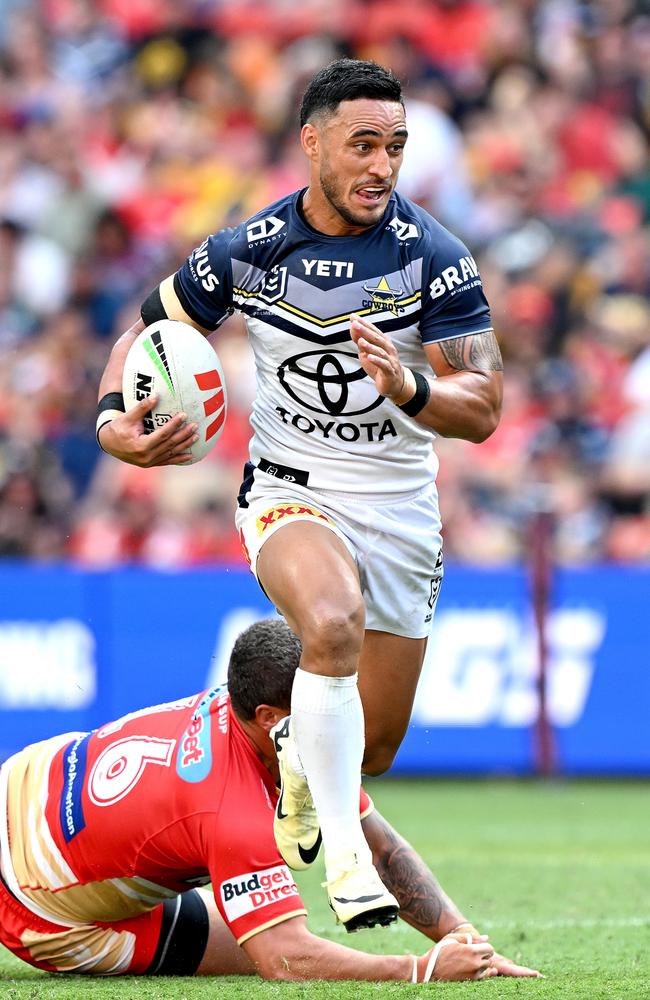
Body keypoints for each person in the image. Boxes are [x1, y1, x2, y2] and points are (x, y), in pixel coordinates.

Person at [95, 58, 503, 930]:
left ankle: (297, 769)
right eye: (363, 145)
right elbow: (148, 327)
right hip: (289, 488)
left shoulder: (434, 258)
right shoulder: (249, 250)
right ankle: (352, 873)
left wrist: (412, 391)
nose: (382, 166)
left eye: (395, 147)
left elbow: (485, 406)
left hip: (400, 509)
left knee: (377, 747)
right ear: (312, 143)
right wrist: (109, 422)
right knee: (330, 622)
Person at [0, 620, 540, 983]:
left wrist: (466, 939)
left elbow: (376, 847)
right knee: (264, 945)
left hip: (20, 781)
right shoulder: (232, 809)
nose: (334, 712)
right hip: (34, 906)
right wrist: (421, 969)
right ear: (269, 716)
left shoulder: (256, 721)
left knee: (264, 925)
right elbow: (285, 959)